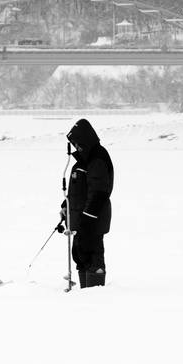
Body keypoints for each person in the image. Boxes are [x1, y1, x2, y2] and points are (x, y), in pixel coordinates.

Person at [61, 118, 114, 288]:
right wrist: (65, 206)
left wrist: (88, 219)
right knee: (80, 255)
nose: (76, 146)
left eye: (77, 142)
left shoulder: (97, 159)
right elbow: (79, 191)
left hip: (92, 221)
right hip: (81, 220)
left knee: (92, 256)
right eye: (73, 143)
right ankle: (83, 295)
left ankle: (94, 296)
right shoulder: (84, 160)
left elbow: (99, 193)